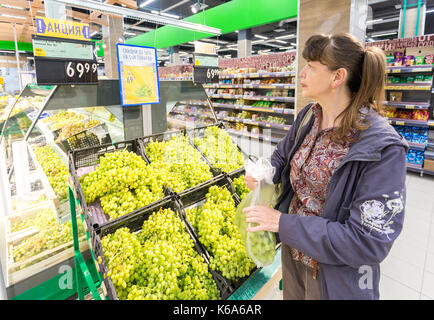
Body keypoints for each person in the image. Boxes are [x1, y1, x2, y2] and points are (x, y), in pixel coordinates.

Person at [243, 33, 408, 300]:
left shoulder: (383, 148)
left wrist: (282, 223)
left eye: (311, 66)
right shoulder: (309, 116)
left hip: (337, 278)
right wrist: (266, 175)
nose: (302, 73)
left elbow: (367, 242)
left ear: (337, 77)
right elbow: (282, 158)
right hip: (294, 258)